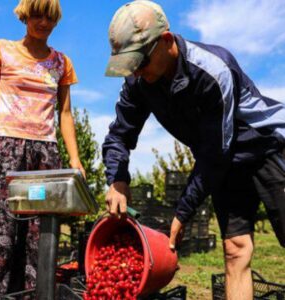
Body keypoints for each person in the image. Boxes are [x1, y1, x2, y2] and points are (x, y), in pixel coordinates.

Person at [102, 1, 285, 299]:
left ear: (165, 41)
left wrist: (183, 213)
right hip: (224, 165)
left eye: (140, 61)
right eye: (130, 64)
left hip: (265, 147)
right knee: (236, 250)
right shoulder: (139, 81)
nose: (136, 71)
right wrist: (117, 178)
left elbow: (215, 154)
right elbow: (119, 135)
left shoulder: (212, 70)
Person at [0, 0, 85, 298]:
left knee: (38, 234)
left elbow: (65, 114)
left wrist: (75, 159)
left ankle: (30, 294)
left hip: (45, 156)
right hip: (7, 151)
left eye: (50, 18)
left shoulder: (61, 63)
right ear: (25, 16)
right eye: (38, 15)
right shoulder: (1, 50)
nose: (43, 23)